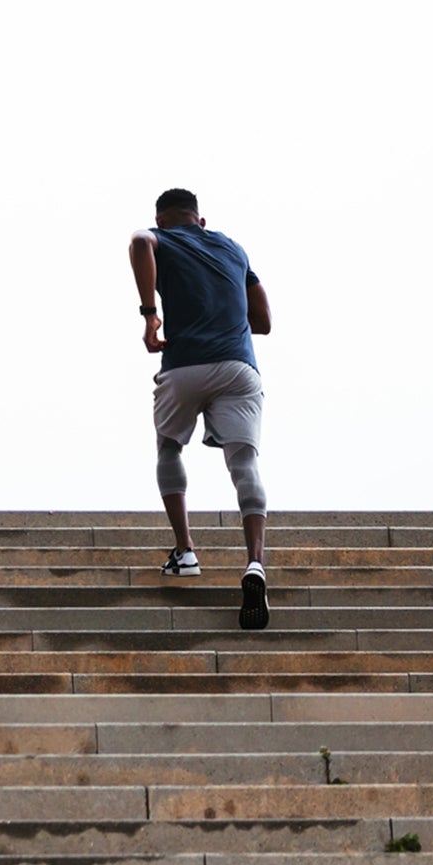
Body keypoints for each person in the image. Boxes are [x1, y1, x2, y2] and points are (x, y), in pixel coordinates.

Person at [128, 188, 272, 630]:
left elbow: (137, 242)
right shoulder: (233, 248)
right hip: (237, 367)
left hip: (184, 363)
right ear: (201, 221)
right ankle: (254, 564)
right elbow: (263, 321)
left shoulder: (160, 237)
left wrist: (151, 314)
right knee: (244, 461)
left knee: (169, 448)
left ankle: (186, 551)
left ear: (162, 220)